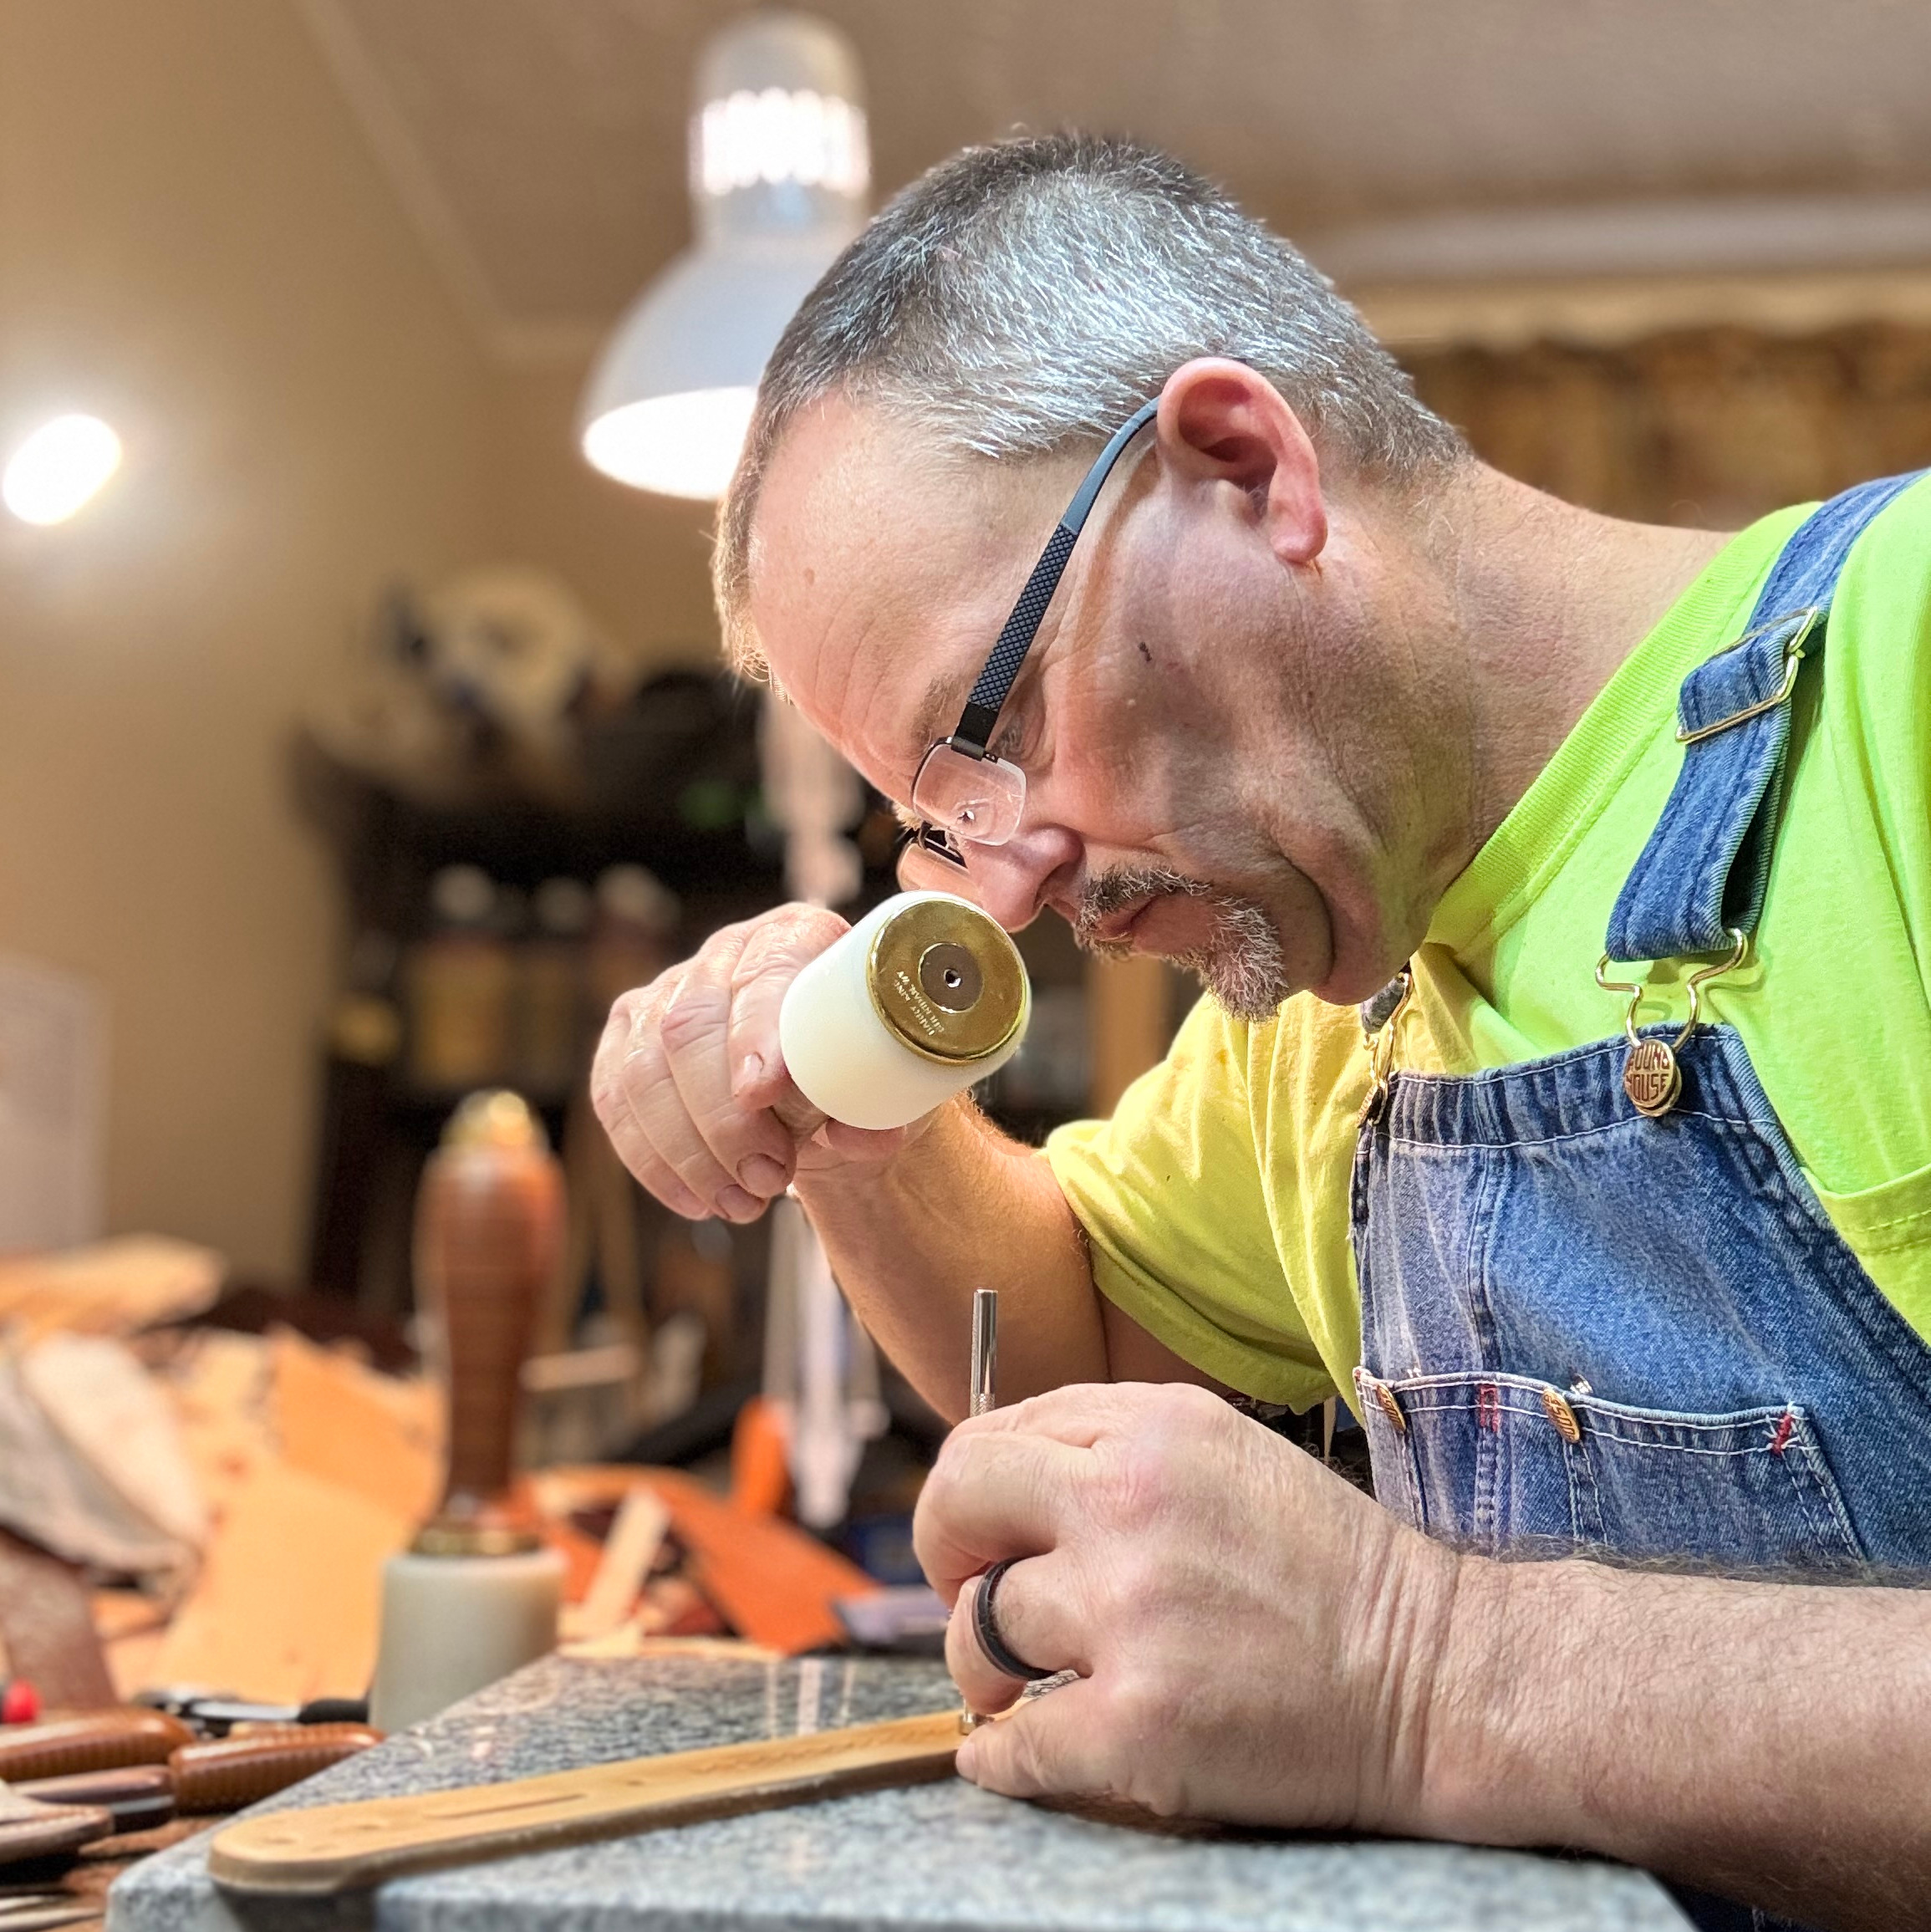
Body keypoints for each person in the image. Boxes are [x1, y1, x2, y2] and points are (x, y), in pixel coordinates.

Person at [593, 135, 1931, 1930]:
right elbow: (1070, 1347)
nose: (1007, 895)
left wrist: (1420, 1670)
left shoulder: (1903, 670)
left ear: (1242, 467)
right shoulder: (1324, 988)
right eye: (945, 821)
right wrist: (850, 1105)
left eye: (995, 732)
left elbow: (1406, 1669)